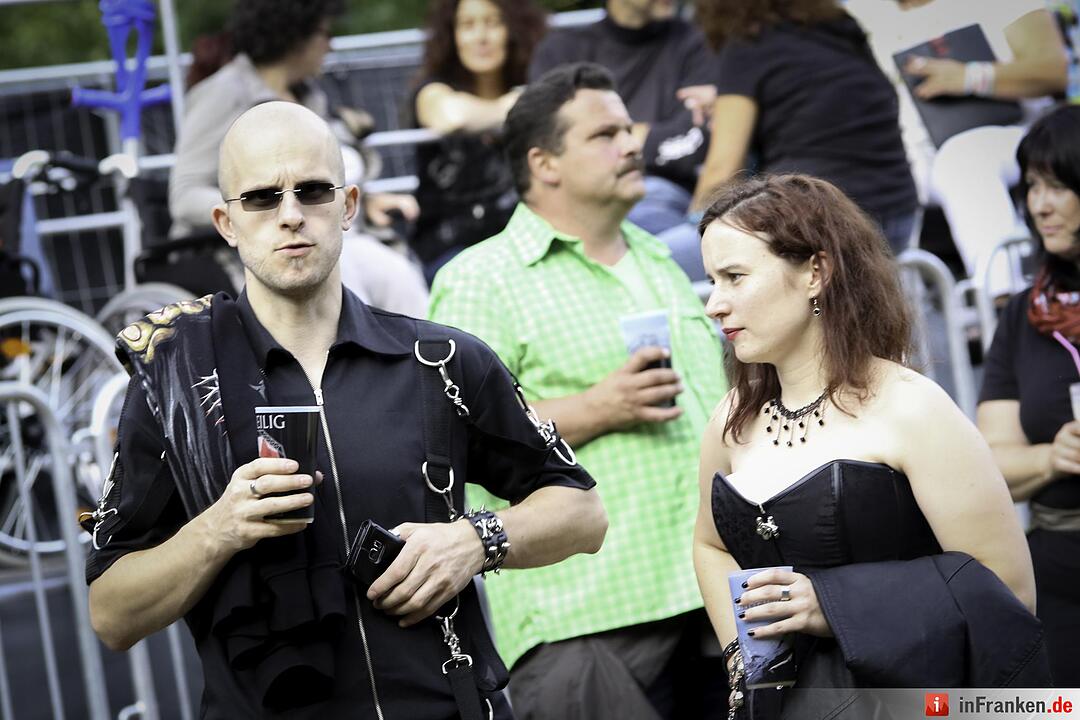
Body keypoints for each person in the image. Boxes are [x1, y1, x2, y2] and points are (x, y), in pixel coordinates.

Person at [84, 101, 607, 720]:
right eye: (261, 198)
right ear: (226, 221)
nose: (290, 215)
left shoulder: (439, 359)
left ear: (349, 205)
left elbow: (583, 511)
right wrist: (217, 529)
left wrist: (476, 539)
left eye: (311, 191)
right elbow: (111, 614)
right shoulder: (176, 387)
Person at [430, 63, 728, 720]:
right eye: (604, 134)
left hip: (715, 600)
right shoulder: (483, 279)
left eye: (628, 128)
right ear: (545, 163)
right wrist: (596, 408)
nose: (632, 144)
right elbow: (454, 438)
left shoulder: (657, 255)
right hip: (584, 621)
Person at [693, 174, 1049, 718]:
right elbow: (711, 545)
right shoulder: (731, 418)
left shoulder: (912, 406)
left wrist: (833, 605)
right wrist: (746, 659)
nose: (715, 304)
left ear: (816, 271)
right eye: (712, 280)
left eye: (735, 277)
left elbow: (1007, 587)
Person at [169, 0, 429, 316]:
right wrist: (258, 204)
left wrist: (366, 200)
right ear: (295, 33)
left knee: (399, 278)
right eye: (324, 32)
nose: (330, 44)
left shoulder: (310, 95)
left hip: (338, 234)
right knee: (336, 273)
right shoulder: (223, 94)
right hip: (252, 247)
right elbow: (184, 195)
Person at [847, 0, 1068, 294]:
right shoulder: (861, 15)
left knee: (964, 158)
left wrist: (968, 77)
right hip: (912, 164)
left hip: (1012, 141)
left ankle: (1006, 300)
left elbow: (1053, 70)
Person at [977, 104, 1080, 688]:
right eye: (1033, 186)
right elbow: (991, 460)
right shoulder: (1024, 314)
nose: (1040, 204)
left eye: (1059, 186)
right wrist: (1052, 456)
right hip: (1060, 567)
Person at [687, 0, 918, 256]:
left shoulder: (747, 45)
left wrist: (693, 222)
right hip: (896, 218)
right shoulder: (839, 27)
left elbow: (722, 171)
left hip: (815, 225)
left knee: (658, 258)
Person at [528, 0, 718, 279]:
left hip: (661, 198)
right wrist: (653, 135)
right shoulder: (561, 48)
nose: (626, 144)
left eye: (626, 133)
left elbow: (695, 143)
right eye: (606, 132)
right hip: (575, 203)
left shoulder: (695, 42)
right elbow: (548, 140)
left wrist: (594, 139)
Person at [411, 0, 546, 283]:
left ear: (514, 31)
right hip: (453, 245)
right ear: (452, 36)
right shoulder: (431, 90)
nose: (480, 37)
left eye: (493, 23)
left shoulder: (536, 82)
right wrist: (516, 106)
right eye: (467, 25)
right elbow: (452, 117)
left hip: (529, 237)